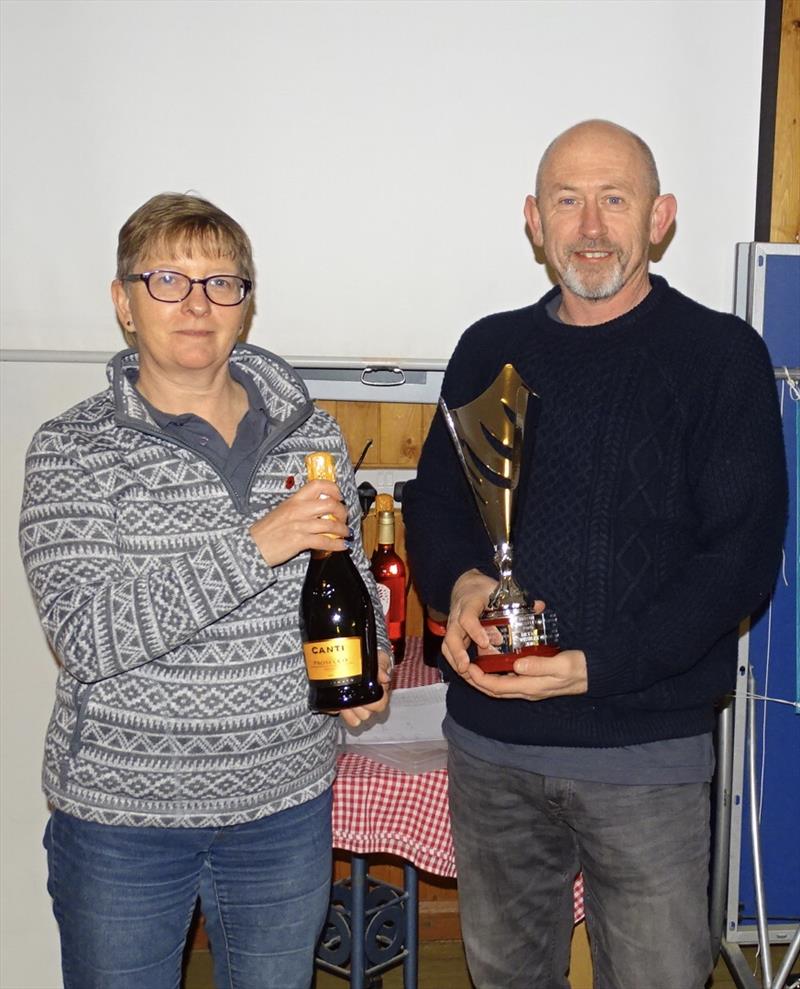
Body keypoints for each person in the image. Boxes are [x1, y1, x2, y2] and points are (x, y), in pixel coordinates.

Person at [402, 120, 788, 989]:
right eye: (568, 201)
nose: (590, 226)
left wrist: (591, 667)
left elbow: (738, 565)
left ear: (661, 219)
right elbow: (436, 502)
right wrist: (461, 579)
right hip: (492, 746)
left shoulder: (720, 357)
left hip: (646, 757)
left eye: (615, 200)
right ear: (534, 220)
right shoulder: (487, 347)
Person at [19, 192, 391, 989]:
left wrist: (371, 664)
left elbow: (349, 580)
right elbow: (88, 639)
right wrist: (261, 543)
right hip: (123, 818)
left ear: (245, 307)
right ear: (123, 302)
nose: (197, 303)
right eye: (168, 280)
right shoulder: (70, 451)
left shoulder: (314, 435)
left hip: (285, 806)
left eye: (222, 282)